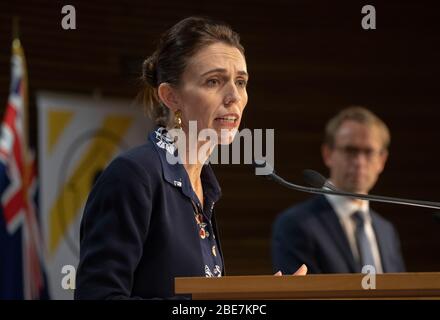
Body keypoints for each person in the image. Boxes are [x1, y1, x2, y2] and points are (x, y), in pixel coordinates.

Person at [75, 16, 306, 300]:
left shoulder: (203, 186)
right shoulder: (135, 175)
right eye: (213, 81)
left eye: (241, 81)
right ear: (171, 97)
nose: (234, 96)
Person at [272, 106, 406, 275]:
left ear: (382, 160)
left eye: (368, 152)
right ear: (328, 154)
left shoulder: (387, 231)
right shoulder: (295, 224)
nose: (359, 162)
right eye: (351, 151)